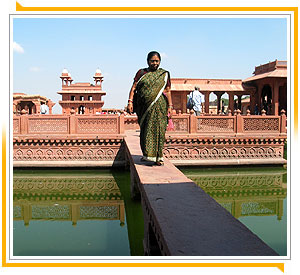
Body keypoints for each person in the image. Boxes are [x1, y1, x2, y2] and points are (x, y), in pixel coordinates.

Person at [127, 51, 173, 166]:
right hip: (144, 106)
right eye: (152, 61)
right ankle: (147, 154)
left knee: (159, 130)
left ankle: (158, 157)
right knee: (146, 129)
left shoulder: (164, 74)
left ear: (160, 61)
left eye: (157, 61)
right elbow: (133, 88)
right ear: (148, 61)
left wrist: (170, 106)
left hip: (160, 105)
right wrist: (130, 102)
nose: (155, 63)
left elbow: (167, 90)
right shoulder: (142, 72)